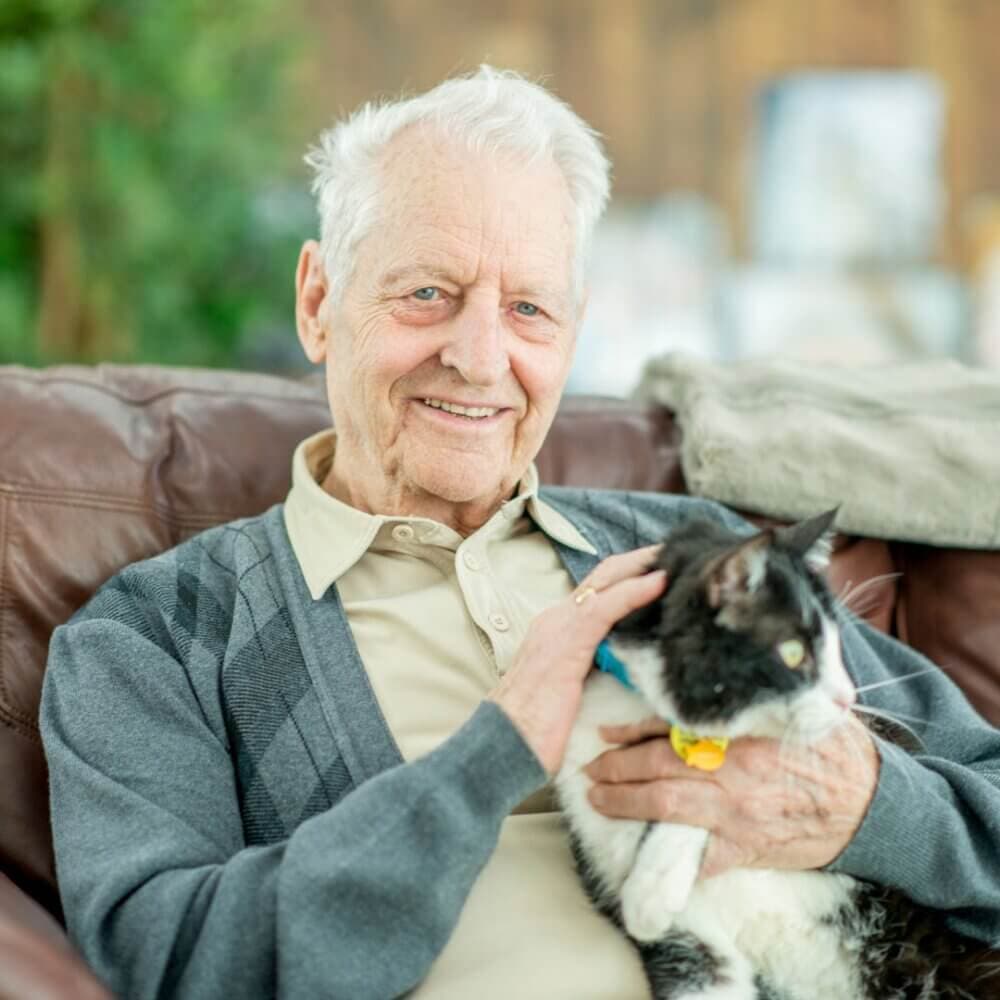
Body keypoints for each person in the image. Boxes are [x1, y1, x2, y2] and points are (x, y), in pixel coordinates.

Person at [40, 66, 1000, 1000]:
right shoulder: (162, 634)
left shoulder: (697, 562)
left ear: (571, 335)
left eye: (529, 309)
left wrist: (864, 810)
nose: (479, 357)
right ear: (319, 301)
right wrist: (494, 750)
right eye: (428, 294)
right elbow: (171, 964)